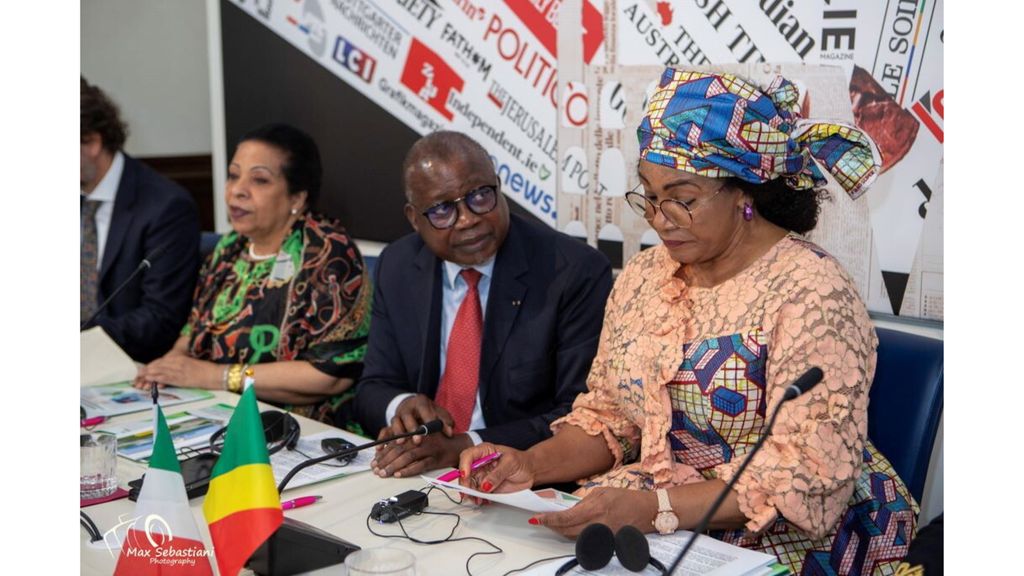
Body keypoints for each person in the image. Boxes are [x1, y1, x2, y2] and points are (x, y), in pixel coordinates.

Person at [459, 70, 917, 575]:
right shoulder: (643, 276)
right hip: (651, 515)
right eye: (650, 196)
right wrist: (532, 463)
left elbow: (805, 473)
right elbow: (611, 419)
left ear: (745, 191)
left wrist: (655, 509)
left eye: (682, 197)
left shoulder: (812, 291)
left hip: (786, 537)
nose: (659, 218)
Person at [353, 131, 612, 478]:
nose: (468, 219)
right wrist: (401, 408)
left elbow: (577, 415)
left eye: (479, 196)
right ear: (415, 219)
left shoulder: (572, 272)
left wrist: (463, 444)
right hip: (421, 470)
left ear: (498, 187)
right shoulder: (397, 264)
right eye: (443, 210)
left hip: (520, 479)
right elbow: (372, 386)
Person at [134, 123, 371, 425]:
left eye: (259, 180)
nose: (237, 190)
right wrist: (168, 367)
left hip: (303, 428)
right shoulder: (230, 248)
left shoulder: (329, 255)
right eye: (234, 175)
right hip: (220, 411)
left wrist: (219, 376)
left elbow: (331, 374)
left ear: (297, 198)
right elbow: (194, 330)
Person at [81, 78, 201, 362]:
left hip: (131, 366)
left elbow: (159, 319)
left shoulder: (166, 207)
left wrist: (81, 341)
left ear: (92, 142)